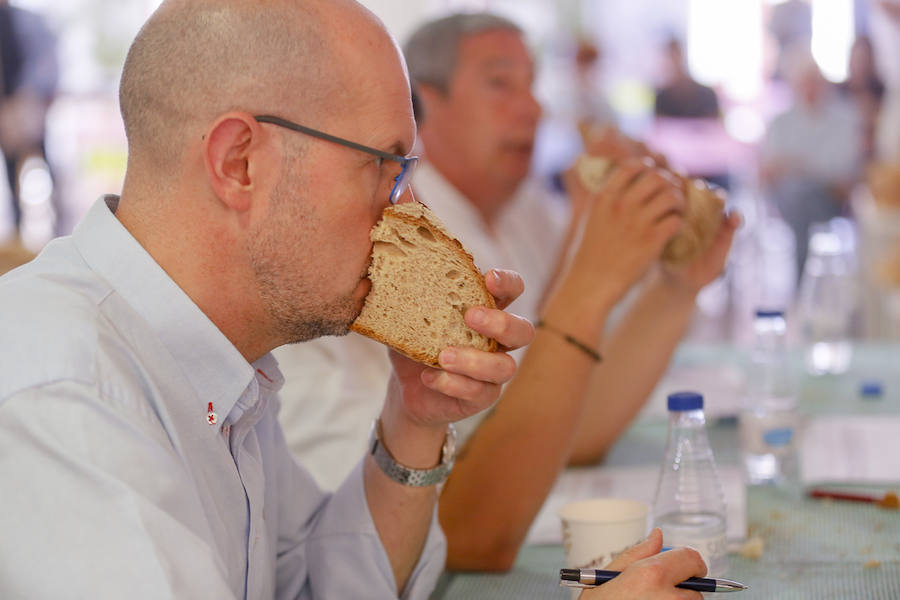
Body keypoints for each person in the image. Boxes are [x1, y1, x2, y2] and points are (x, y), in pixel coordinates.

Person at [0, 1, 535, 598]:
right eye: (386, 167)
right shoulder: (64, 402)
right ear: (240, 162)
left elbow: (313, 587)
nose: (408, 214)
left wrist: (412, 421)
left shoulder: (220, 358)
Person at [276, 11, 739, 576]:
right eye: (500, 83)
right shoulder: (353, 266)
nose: (535, 108)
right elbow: (463, 536)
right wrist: (588, 279)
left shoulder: (524, 211)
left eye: (533, 85)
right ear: (419, 105)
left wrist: (675, 285)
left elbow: (575, 425)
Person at [760, 45, 862, 278]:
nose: (810, 87)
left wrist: (797, 164)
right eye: (804, 80)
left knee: (801, 195)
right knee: (797, 195)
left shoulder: (844, 118)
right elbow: (771, 168)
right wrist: (811, 166)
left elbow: (842, 170)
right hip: (790, 199)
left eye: (814, 80)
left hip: (830, 198)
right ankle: (809, 281)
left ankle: (805, 282)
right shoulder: (781, 122)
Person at [0, 0, 58, 233]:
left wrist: (25, 100)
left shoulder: (29, 22)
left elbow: (46, 65)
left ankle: (57, 228)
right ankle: (17, 228)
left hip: (27, 105)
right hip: (5, 110)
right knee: (11, 170)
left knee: (45, 165)